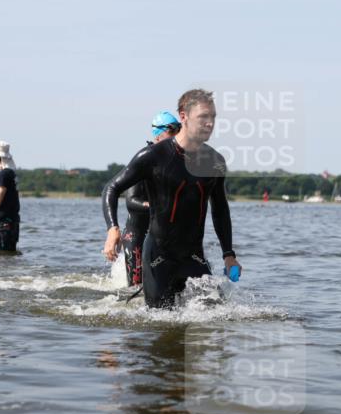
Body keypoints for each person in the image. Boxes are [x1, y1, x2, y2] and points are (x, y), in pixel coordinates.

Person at [102, 89, 240, 309]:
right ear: (183, 116)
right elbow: (112, 188)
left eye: (213, 117)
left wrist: (228, 254)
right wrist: (113, 229)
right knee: (160, 323)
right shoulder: (154, 156)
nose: (210, 123)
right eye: (203, 117)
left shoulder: (215, 161)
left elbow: (221, 209)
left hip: (194, 257)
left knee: (217, 314)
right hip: (159, 258)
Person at [121, 112, 182, 286]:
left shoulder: (177, 161)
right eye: (173, 130)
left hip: (163, 236)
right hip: (137, 235)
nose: (177, 135)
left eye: (179, 130)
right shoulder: (145, 159)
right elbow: (131, 201)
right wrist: (156, 206)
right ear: (158, 134)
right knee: (136, 286)